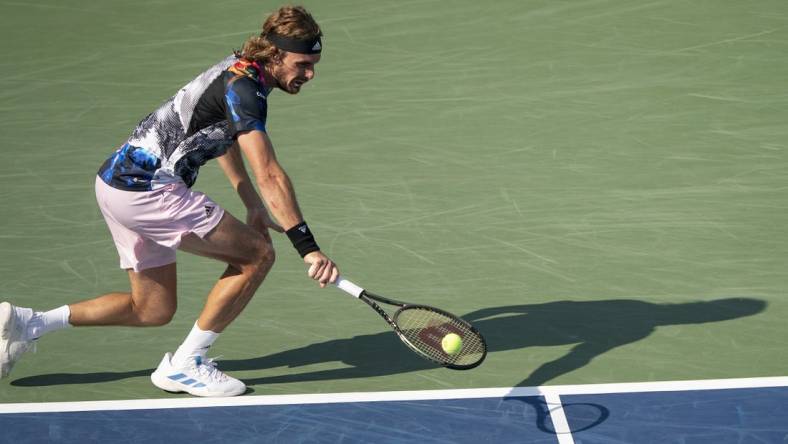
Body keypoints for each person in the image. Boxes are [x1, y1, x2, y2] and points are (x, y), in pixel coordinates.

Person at [0, 5, 338, 397]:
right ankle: (187, 364)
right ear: (276, 54)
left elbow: (221, 136)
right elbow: (270, 174)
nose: (309, 74)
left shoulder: (240, 70)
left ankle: (29, 324)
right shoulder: (245, 89)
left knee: (152, 309)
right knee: (257, 254)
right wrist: (308, 248)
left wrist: (251, 201)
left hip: (113, 185)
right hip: (149, 191)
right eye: (303, 64)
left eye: (314, 64)